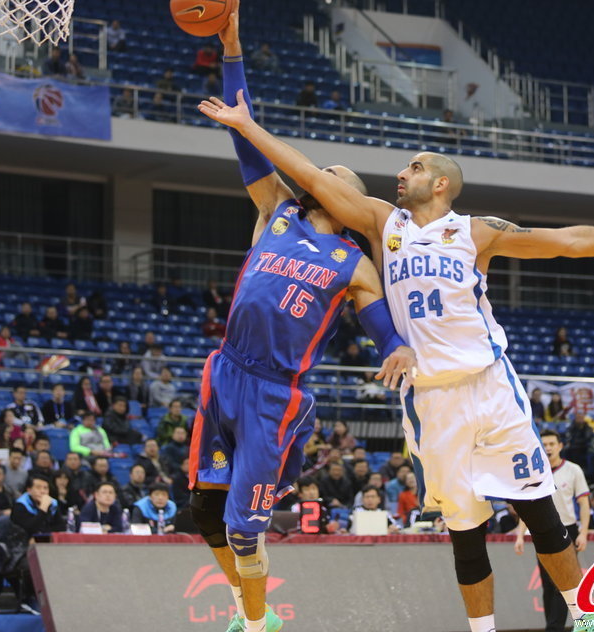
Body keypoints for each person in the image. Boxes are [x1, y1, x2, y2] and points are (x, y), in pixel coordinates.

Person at [203, 65, 594, 632]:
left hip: (488, 387)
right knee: (465, 533)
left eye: (414, 167)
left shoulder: (476, 231)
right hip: (431, 400)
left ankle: (585, 618)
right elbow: (313, 181)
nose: (402, 173)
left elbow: (567, 242)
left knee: (540, 511)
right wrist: (248, 127)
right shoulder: (382, 224)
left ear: (441, 182)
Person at [190, 12, 416, 632]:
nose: (323, 173)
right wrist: (232, 48)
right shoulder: (278, 209)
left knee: (244, 529)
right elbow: (244, 135)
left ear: (349, 201)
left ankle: (256, 623)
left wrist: (395, 347)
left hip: (275, 392)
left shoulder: (354, 262)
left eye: (336, 175)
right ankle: (253, 613)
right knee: (205, 513)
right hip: (225, 371)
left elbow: (380, 327)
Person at [515, 430, 590, 632]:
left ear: (560, 446)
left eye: (551, 444)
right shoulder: (534, 471)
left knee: (562, 582)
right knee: (548, 584)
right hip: (541, 530)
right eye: (544, 444)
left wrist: (583, 533)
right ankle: (554, 625)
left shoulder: (573, 470)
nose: (548, 448)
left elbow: (584, 503)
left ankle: (554, 628)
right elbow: (526, 506)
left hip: (568, 529)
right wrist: (520, 535)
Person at [11, 475, 66, 613]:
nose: (43, 491)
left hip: (46, 546)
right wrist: (42, 509)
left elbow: (61, 527)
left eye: (45, 488)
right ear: (29, 489)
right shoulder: (20, 505)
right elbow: (30, 528)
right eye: (38, 487)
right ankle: (30, 599)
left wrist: (41, 537)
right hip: (20, 548)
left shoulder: (53, 504)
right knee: (32, 564)